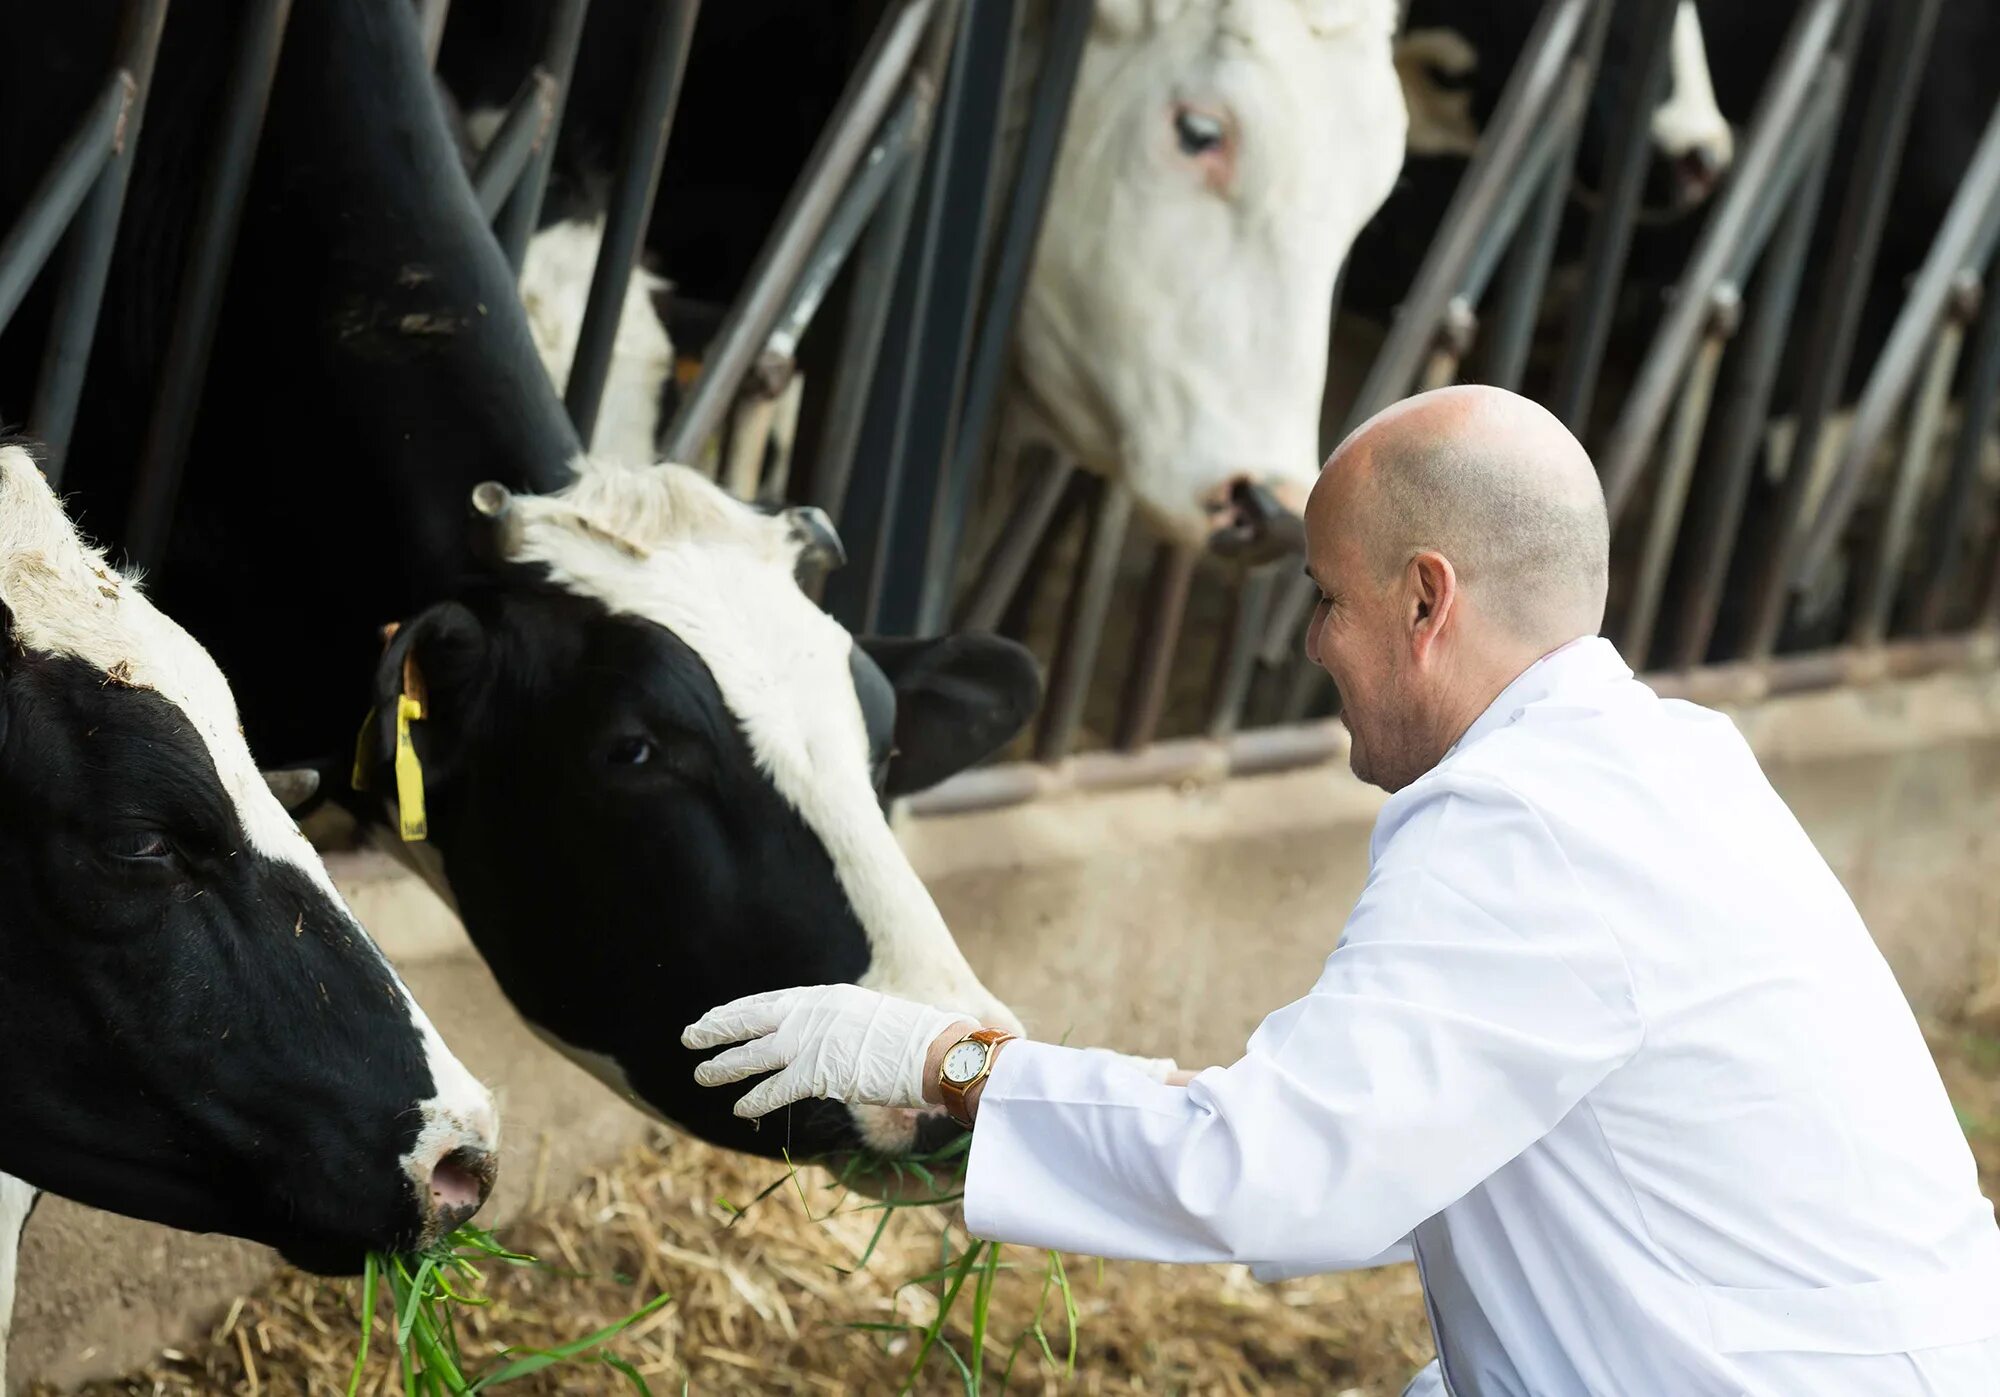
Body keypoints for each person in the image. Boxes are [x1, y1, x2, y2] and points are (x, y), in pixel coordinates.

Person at [682, 385, 2000, 1395]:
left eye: (1325, 597)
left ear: (1426, 600)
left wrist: (955, 1067)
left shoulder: (1528, 828)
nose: (1309, 643)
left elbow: (1282, 1174)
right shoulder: (1659, 768)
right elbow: (1395, 1145)